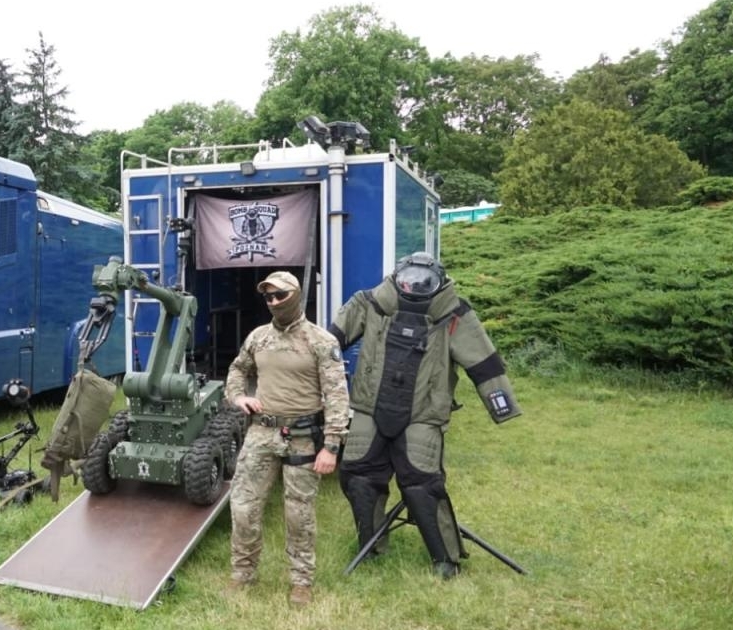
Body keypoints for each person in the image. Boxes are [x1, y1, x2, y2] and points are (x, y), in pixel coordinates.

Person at [328, 252, 521, 579]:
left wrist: (502, 406)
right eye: (409, 280)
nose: (414, 286)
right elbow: (328, 343)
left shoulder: (454, 313)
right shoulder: (370, 303)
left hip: (424, 413)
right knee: (358, 477)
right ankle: (371, 546)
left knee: (423, 485)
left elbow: (484, 363)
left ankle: (445, 558)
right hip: (370, 408)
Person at [223, 271, 350, 606]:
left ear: (295, 295)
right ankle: (243, 573)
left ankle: (301, 581)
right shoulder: (258, 338)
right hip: (261, 432)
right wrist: (238, 396)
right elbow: (238, 368)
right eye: (268, 297)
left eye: (280, 295)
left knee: (299, 513)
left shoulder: (320, 341)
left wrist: (331, 446)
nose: (274, 302)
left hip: (303, 437)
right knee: (244, 506)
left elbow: (337, 395)